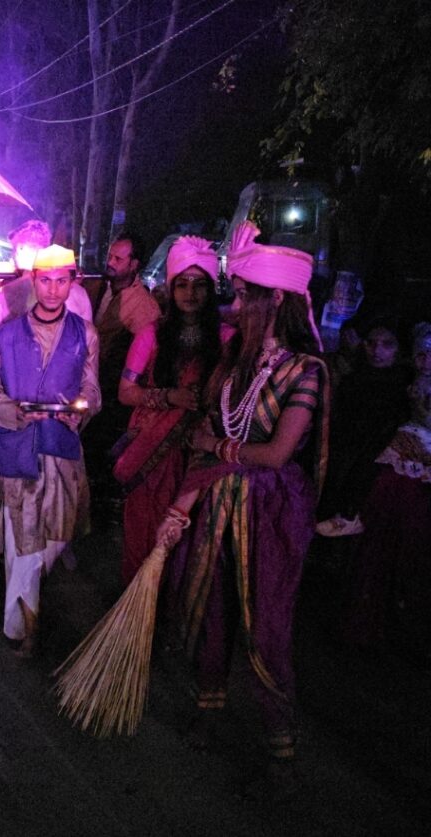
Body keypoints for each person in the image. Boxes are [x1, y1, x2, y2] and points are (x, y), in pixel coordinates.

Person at [159, 220, 330, 785]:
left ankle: (279, 736)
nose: (234, 306)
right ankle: (209, 707)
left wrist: (217, 446)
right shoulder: (236, 357)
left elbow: (277, 454)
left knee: (266, 622)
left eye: (244, 295)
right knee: (209, 605)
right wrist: (181, 506)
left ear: (275, 299)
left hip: (271, 509)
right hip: (218, 499)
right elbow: (207, 430)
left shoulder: (306, 371)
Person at [0, 245, 101, 656]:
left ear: (72, 283)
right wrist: (13, 411)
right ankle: (24, 629)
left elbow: (92, 389)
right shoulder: (7, 333)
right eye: (45, 280)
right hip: (17, 452)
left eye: (61, 281)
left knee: (55, 539)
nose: (52, 289)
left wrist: (79, 411)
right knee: (23, 544)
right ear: (34, 281)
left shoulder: (86, 333)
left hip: (61, 451)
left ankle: (25, 618)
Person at [113, 237, 227, 584]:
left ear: (211, 289)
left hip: (202, 453)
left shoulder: (226, 338)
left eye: (199, 284)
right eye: (182, 284)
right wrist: (169, 398)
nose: (190, 293)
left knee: (192, 544)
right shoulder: (152, 334)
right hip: (153, 448)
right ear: (171, 287)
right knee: (144, 531)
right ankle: (138, 604)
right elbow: (125, 392)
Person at [343, 322, 431, 659]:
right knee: (379, 545)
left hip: (412, 479)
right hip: (391, 474)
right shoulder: (397, 385)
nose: (426, 362)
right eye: (421, 354)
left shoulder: (407, 387)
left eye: (387, 344)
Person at [85, 232, 161, 520]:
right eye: (110, 256)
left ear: (134, 264)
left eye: (119, 258)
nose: (111, 262)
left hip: (112, 390)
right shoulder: (95, 287)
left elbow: (144, 357)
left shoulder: (144, 306)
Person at [315, 316, 410, 537]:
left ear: (398, 349)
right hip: (339, 463)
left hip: (376, 472)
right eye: (371, 343)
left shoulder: (405, 386)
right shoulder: (352, 380)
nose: (377, 350)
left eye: (387, 344)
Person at [0, 220, 93, 325]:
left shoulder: (3, 295)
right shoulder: (79, 293)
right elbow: (88, 332)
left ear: (20, 249)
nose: (12, 256)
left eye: (13, 250)